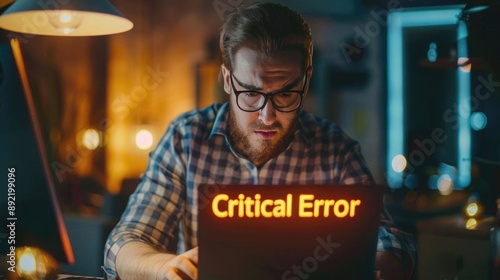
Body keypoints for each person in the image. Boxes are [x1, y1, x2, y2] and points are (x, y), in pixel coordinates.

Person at [103, 2, 416, 279]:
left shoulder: (335, 150)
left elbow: (389, 238)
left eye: (285, 93)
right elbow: (124, 242)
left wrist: (380, 263)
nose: (268, 115)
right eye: (251, 93)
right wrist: (162, 268)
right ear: (227, 79)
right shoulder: (185, 139)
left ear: (306, 79)